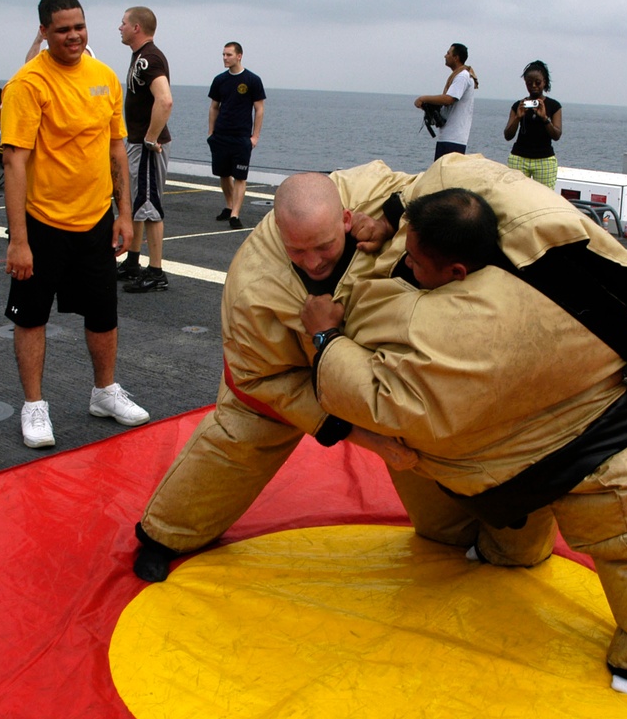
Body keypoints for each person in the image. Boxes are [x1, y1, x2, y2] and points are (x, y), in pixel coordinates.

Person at [301, 157, 627, 696]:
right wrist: (390, 219)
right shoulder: (508, 212)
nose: (407, 267)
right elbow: (447, 172)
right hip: (625, 364)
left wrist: (328, 340)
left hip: (604, 427)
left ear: (457, 273)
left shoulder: (456, 326)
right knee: (615, 528)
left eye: (414, 262)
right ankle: (521, 557)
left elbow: (387, 401)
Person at [133, 161, 558, 584]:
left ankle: (458, 535)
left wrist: (393, 214)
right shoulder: (252, 287)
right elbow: (263, 382)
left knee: (423, 443)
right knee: (243, 438)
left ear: (347, 218)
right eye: (297, 251)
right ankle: (164, 535)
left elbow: (451, 178)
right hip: (284, 370)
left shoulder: (375, 191)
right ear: (279, 234)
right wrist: (365, 437)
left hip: (375, 358)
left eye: (323, 246)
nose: (313, 262)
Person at [2, 0, 149, 449]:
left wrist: (124, 214)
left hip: (96, 221)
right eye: (62, 29)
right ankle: (34, 406)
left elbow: (116, 152)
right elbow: (14, 164)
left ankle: (104, 392)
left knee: (104, 313)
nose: (73, 35)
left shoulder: (106, 77)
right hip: (42, 222)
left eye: (79, 26)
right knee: (31, 317)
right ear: (44, 32)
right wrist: (18, 240)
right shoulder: (27, 84)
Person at [115, 6, 173, 294]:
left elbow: (165, 101)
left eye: (124, 23)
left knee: (151, 208)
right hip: (139, 142)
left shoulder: (149, 59)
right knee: (140, 204)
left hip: (147, 145)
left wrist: (150, 138)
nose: (120, 27)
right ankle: (133, 262)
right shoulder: (140, 57)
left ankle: (156, 271)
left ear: (137, 27)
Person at [207, 41, 265, 229]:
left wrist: (255, 136)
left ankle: (235, 214)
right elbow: (214, 107)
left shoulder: (252, 80)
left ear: (239, 56)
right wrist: (211, 133)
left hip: (241, 137)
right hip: (221, 136)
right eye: (223, 54)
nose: (225, 58)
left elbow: (259, 109)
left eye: (229, 55)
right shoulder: (219, 80)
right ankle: (228, 206)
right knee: (223, 174)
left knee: (240, 176)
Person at [503, 60, 562, 188]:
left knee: (544, 199)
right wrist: (518, 117)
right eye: (529, 83)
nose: (534, 86)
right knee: (515, 195)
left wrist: (545, 118)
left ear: (545, 82)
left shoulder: (554, 106)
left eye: (538, 82)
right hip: (519, 157)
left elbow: (557, 135)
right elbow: (508, 135)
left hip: (544, 159)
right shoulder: (518, 105)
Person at [415, 43, 477, 161]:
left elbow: (449, 99)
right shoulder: (459, 75)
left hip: (453, 139)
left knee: (445, 176)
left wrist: (423, 98)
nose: (445, 56)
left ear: (456, 57)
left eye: (448, 53)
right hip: (449, 137)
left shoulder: (462, 76)